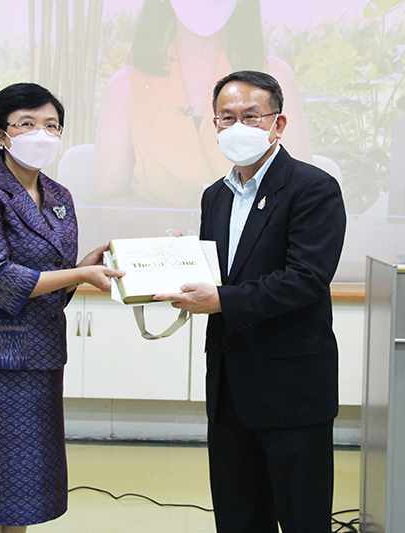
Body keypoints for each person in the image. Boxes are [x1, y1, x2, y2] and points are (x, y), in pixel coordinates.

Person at [155, 70, 346, 533]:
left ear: (278, 124)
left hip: (292, 384)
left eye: (252, 117)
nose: (238, 127)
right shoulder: (215, 196)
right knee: (239, 515)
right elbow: (222, 273)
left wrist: (219, 299)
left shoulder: (313, 187)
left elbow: (306, 279)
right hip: (229, 385)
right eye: (227, 117)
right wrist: (178, 266)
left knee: (303, 516)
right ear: (215, 125)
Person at [0, 83, 123, 533]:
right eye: (27, 123)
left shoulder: (59, 197)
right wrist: (78, 275)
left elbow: (52, 286)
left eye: (51, 125)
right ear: (1, 133)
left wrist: (82, 269)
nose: (41, 133)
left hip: (40, 357)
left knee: (22, 492)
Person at [93, 0, 311, 214]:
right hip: (156, 243)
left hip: (254, 244)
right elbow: (106, 206)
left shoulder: (276, 77)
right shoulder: (126, 85)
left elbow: (302, 195)